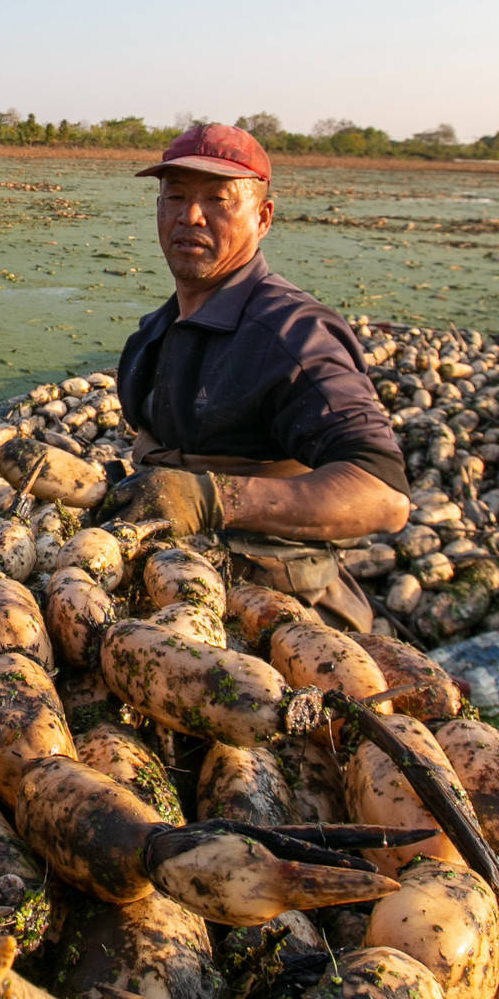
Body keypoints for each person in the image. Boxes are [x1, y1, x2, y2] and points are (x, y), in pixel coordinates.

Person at [99, 123, 410, 629]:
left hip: (275, 604)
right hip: (173, 579)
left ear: (262, 217)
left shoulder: (292, 336)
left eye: (218, 200)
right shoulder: (155, 332)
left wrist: (213, 498)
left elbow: (383, 495)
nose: (190, 216)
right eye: (174, 196)